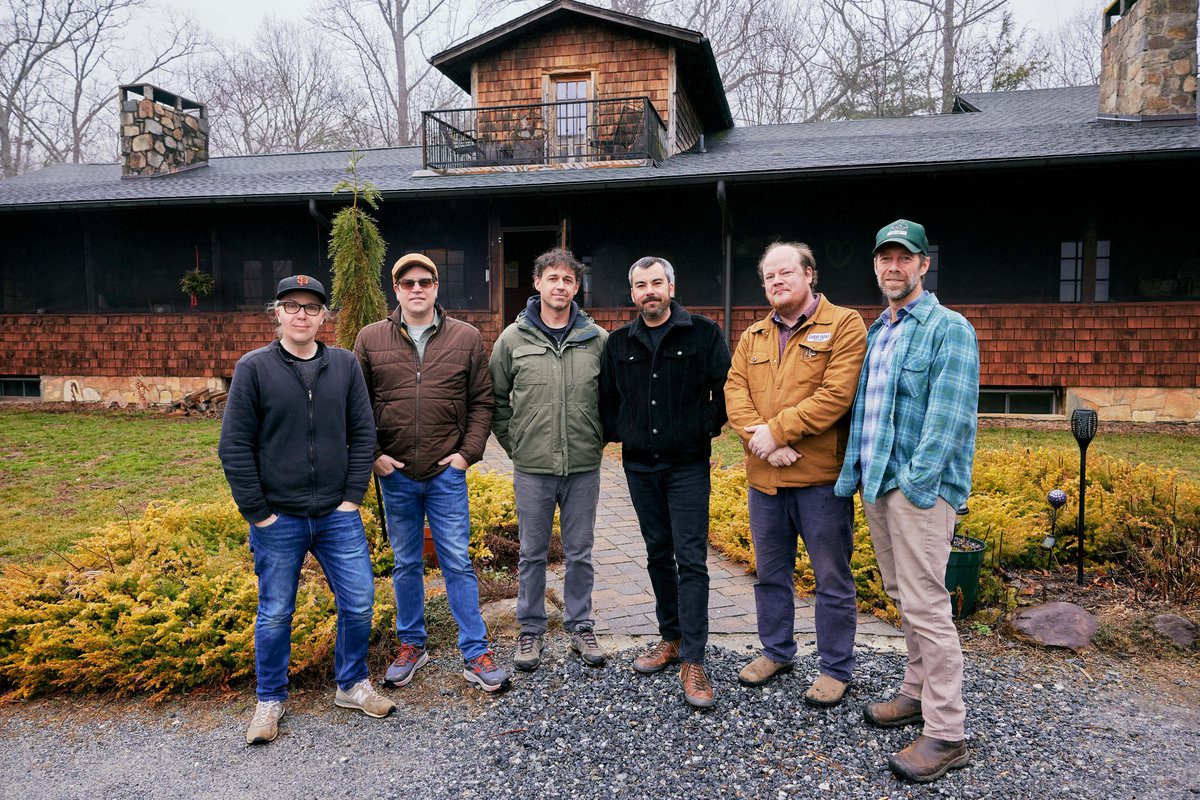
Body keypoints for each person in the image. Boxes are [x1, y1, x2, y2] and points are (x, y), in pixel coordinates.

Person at [219, 275, 395, 745]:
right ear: (276, 313)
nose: (302, 314)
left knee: (359, 602)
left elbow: (363, 434)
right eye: (292, 306)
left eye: (311, 308)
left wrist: (351, 499)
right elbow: (234, 446)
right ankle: (270, 699)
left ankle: (352, 684)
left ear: (323, 317)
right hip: (280, 517)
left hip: (337, 516)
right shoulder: (253, 368)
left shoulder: (344, 365)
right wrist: (258, 513)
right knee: (276, 612)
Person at [834, 219, 980, 783]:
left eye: (905, 258)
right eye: (884, 258)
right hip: (877, 485)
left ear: (923, 264)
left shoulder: (950, 329)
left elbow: (948, 423)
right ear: (876, 266)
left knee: (927, 605)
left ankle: (947, 733)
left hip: (917, 493)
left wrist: (915, 487)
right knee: (905, 596)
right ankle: (916, 693)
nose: (893, 267)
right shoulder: (881, 331)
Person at [353, 253, 509, 692]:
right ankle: (412, 645)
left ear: (437, 288)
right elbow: (355, 407)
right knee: (405, 563)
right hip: (395, 473)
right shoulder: (369, 339)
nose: (417, 288)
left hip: (445, 473)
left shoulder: (465, 338)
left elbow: (483, 402)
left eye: (425, 281)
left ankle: (475, 653)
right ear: (397, 290)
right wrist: (374, 456)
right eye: (407, 283)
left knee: (457, 561)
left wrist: (467, 454)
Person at [724, 242, 867, 708]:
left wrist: (779, 433)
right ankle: (778, 651)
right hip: (765, 479)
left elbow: (836, 394)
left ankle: (835, 668)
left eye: (786, 273)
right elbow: (735, 390)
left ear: (810, 274)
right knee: (770, 574)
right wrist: (761, 442)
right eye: (769, 277)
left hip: (820, 480)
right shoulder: (753, 336)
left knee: (830, 577)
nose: (777, 282)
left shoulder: (844, 324)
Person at [598, 257, 731, 709]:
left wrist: (700, 426)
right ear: (632, 294)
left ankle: (694, 658)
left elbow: (726, 393)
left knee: (691, 559)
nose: (649, 291)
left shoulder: (705, 334)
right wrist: (626, 432)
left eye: (657, 283)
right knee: (658, 553)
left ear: (672, 287)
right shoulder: (618, 343)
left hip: (688, 466)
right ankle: (670, 637)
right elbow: (607, 401)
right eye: (640, 285)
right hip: (639, 466)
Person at [489, 248, 608, 672]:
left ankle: (580, 626)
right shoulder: (512, 340)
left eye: (568, 280)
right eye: (552, 278)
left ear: (577, 288)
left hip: (582, 467)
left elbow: (611, 399)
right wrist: (516, 444)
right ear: (537, 283)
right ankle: (530, 631)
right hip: (532, 467)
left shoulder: (597, 340)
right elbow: (495, 399)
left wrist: (597, 438)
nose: (560, 286)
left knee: (580, 551)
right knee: (532, 552)